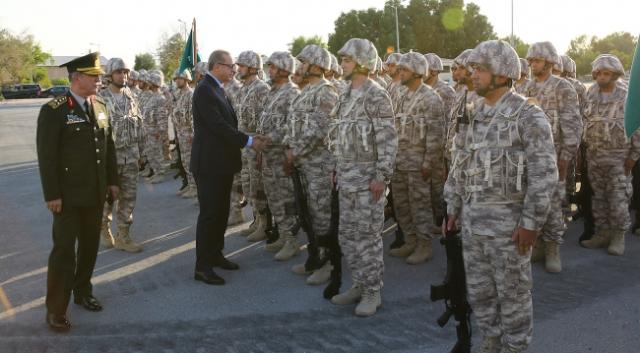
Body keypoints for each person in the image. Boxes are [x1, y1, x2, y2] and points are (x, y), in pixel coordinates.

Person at [444, 40, 558, 353]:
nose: (473, 74)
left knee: (513, 296)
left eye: (480, 69)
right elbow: (460, 163)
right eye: (473, 69)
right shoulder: (472, 114)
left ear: (502, 73)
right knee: (480, 294)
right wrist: (452, 207)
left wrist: (532, 223)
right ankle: (491, 343)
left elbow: (544, 175)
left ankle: (515, 348)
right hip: (473, 224)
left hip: (509, 230)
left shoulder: (528, 117)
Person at [36, 52, 119, 332]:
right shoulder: (55, 110)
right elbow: (47, 157)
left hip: (94, 193)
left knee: (89, 247)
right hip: (67, 196)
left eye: (99, 76)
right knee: (63, 251)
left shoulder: (102, 106)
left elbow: (109, 149)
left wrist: (112, 181)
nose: (99, 80)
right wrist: (52, 195)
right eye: (93, 76)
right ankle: (56, 309)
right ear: (76, 78)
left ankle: (83, 291)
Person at [329, 38, 397, 317]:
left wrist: (382, 176)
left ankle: (372, 291)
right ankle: (359, 282)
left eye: (347, 60)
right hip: (346, 177)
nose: (342, 63)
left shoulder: (376, 94)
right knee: (347, 235)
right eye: (342, 59)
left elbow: (388, 140)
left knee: (368, 238)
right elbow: (338, 134)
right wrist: (335, 166)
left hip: (368, 180)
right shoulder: (345, 93)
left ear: (362, 62)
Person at [190, 50, 268, 285]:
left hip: (221, 163)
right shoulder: (205, 90)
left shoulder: (216, 88)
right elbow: (218, 125)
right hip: (210, 164)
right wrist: (250, 141)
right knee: (210, 215)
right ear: (216, 66)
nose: (234, 69)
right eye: (230, 65)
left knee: (221, 212)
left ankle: (215, 254)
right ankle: (202, 266)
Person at [524, 42, 582, 273]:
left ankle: (552, 249)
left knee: (554, 204)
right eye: (530, 61)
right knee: (533, 202)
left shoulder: (563, 88)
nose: (531, 65)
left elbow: (572, 124)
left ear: (548, 63)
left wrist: (566, 157)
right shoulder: (526, 88)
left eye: (536, 61)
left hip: (555, 156)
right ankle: (537, 245)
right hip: (529, 157)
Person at [580, 54, 640, 255]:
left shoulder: (627, 95)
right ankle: (602, 233)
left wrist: (634, 156)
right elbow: (585, 121)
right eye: (598, 73)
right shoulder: (591, 94)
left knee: (618, 198)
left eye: (606, 73)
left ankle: (618, 236)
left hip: (619, 156)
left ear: (615, 75)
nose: (601, 77)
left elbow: (636, 127)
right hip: (595, 155)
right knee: (598, 197)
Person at [388, 52, 445, 265]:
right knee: (402, 205)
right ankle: (410, 240)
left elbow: (435, 134)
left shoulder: (431, 98)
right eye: (399, 69)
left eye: (404, 70)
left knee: (420, 206)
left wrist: (428, 162)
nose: (399, 73)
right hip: (399, 162)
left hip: (418, 164)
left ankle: (424, 245)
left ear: (418, 72)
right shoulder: (400, 94)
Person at [98, 58, 145, 253]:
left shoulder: (131, 97)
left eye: (125, 72)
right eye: (118, 72)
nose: (123, 76)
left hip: (131, 156)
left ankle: (123, 235)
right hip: (111, 158)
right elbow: (97, 133)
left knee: (129, 197)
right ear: (110, 76)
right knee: (107, 197)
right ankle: (103, 228)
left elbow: (140, 125)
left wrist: (142, 153)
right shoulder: (100, 99)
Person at [257, 52, 300, 254]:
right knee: (273, 198)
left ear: (284, 69)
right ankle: (283, 235)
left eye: (273, 67)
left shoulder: (293, 94)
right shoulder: (272, 92)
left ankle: (292, 241)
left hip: (281, 156)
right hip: (268, 156)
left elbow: (291, 126)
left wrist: (269, 139)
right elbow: (264, 121)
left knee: (286, 199)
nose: (270, 71)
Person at [236, 51, 271, 241]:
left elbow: (265, 122)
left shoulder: (261, 89)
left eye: (241, 65)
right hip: (244, 143)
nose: (238, 69)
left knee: (258, 186)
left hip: (255, 144)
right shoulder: (244, 89)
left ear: (251, 67)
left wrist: (261, 149)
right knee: (249, 184)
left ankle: (264, 224)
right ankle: (256, 220)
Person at [171, 68, 197, 198]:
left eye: (179, 79)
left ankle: (196, 188)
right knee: (185, 161)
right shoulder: (178, 94)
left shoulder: (190, 95)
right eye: (175, 79)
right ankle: (191, 185)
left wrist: (193, 134)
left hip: (188, 134)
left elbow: (193, 116)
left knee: (191, 161)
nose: (177, 81)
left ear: (186, 79)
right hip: (181, 133)